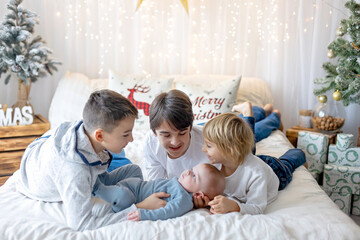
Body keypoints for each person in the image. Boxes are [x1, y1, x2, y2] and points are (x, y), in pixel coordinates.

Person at [16, 89, 168, 231]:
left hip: (46, 145)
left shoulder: (87, 130)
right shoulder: (75, 172)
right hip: (33, 172)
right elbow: (82, 225)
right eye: (125, 134)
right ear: (100, 136)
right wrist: (140, 208)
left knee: (134, 169)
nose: (132, 139)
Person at [143, 89, 305, 207]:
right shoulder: (151, 144)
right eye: (165, 135)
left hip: (256, 164)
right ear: (154, 132)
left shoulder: (210, 146)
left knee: (251, 145)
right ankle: (260, 112)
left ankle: (271, 117)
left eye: (182, 133)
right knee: (243, 132)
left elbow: (233, 181)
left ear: (191, 126)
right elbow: (157, 187)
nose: (174, 142)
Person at [202, 113, 305, 215]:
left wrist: (234, 206)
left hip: (275, 169)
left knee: (287, 164)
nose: (203, 149)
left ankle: (300, 152)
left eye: (209, 146)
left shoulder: (257, 174)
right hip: (244, 159)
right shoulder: (214, 164)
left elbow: (256, 208)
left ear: (230, 149)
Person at [93, 163, 225, 221]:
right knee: (135, 169)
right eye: (191, 169)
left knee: (122, 195)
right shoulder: (182, 183)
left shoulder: (184, 200)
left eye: (194, 176)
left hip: (131, 197)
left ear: (199, 195)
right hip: (137, 185)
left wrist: (143, 215)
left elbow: (166, 213)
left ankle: (96, 186)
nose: (188, 171)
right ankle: (104, 177)